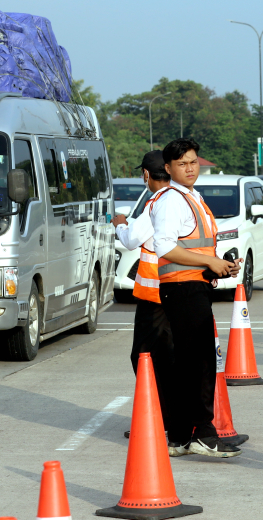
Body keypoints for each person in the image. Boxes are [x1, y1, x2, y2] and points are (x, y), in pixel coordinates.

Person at [151, 138, 241, 458]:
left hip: (193, 286)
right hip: (182, 289)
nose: (190, 169)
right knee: (200, 365)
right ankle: (203, 433)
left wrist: (218, 267)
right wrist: (208, 262)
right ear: (168, 168)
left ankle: (179, 436)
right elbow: (165, 246)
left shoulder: (192, 196)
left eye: (193, 162)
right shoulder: (171, 200)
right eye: (182, 164)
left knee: (189, 363)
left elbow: (197, 245)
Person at [111, 150, 174, 432]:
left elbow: (133, 239)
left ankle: (158, 418)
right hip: (181, 291)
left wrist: (120, 224)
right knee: (170, 354)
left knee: (145, 357)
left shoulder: (157, 202)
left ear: (146, 175)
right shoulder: (188, 199)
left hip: (156, 296)